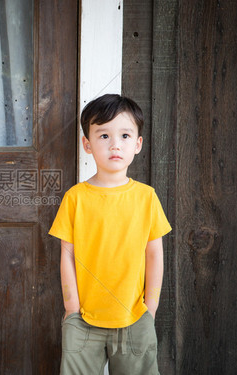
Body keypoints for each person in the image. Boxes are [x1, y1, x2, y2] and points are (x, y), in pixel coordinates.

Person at [49, 94, 172, 374]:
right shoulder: (75, 198)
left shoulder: (146, 198)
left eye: (125, 135)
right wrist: (72, 309)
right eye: (103, 135)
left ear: (138, 144)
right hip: (83, 319)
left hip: (134, 317)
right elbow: (66, 256)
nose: (115, 144)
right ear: (87, 144)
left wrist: (150, 309)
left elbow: (154, 255)